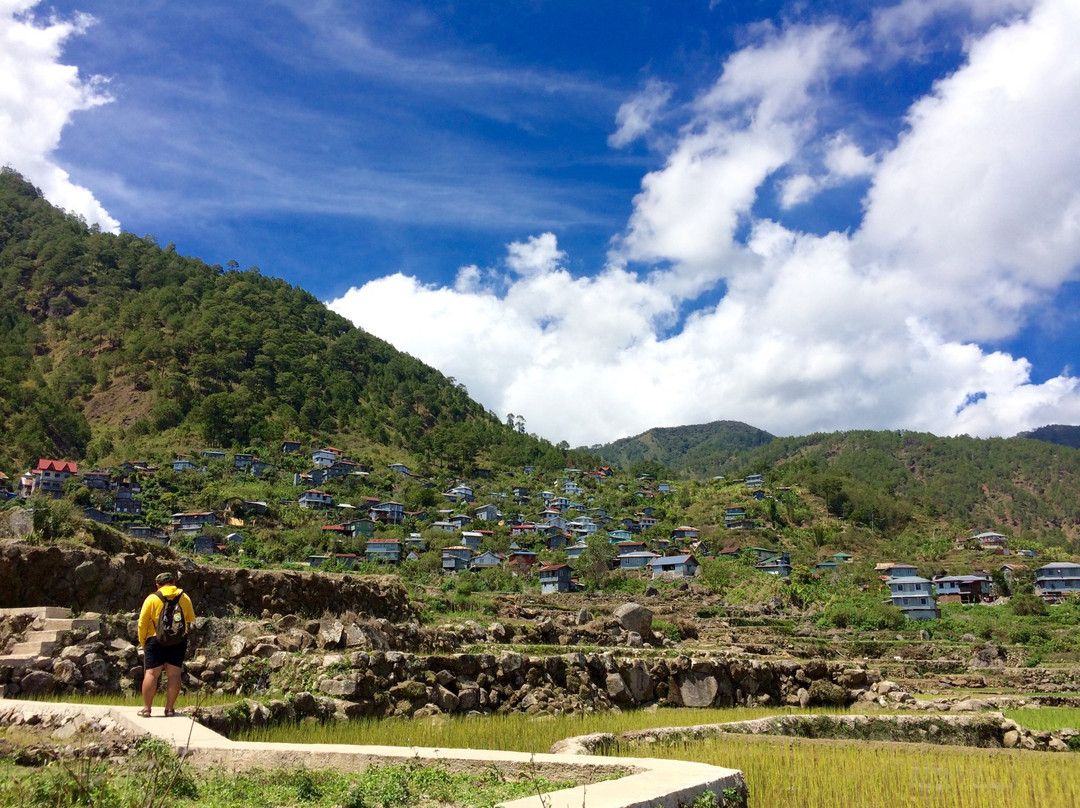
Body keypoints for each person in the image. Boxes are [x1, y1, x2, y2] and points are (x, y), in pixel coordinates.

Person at [137, 571, 195, 717]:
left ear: (158, 585)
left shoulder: (152, 599)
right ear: (173, 583)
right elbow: (189, 619)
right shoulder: (184, 597)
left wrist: (143, 641)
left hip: (154, 639)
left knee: (151, 674)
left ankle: (146, 709)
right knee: (174, 674)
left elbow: (142, 623)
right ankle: (169, 709)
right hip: (178, 640)